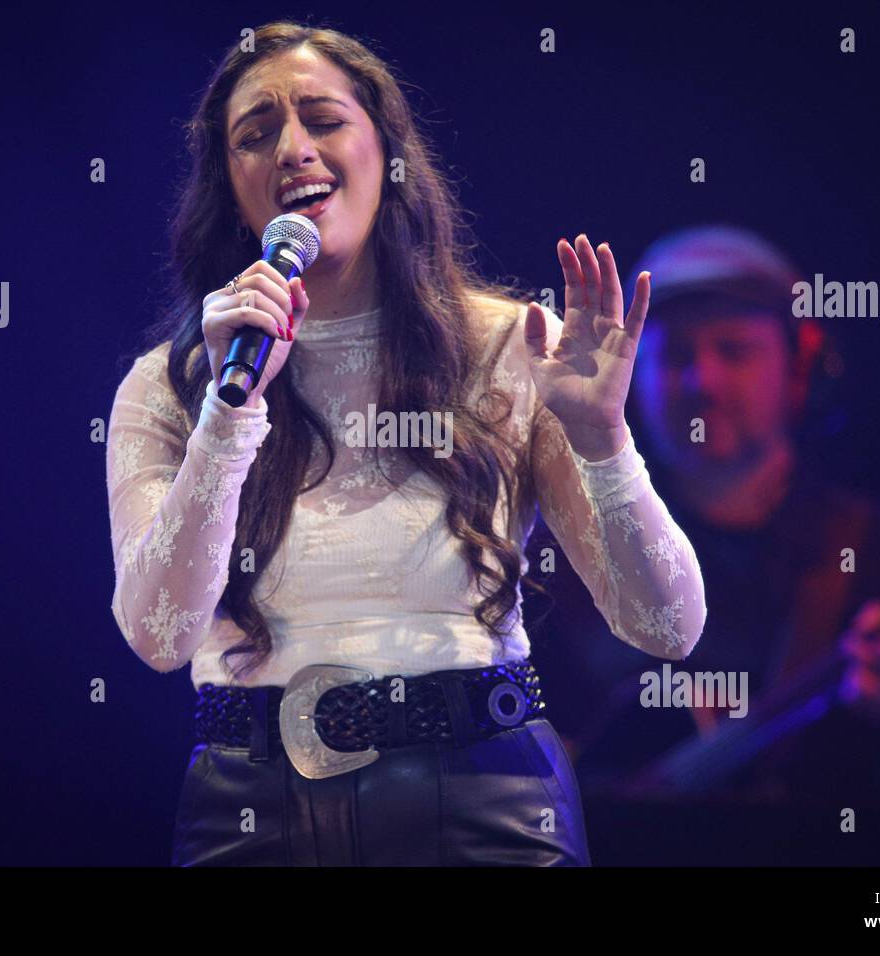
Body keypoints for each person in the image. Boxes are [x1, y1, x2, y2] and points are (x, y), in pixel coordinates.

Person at [103, 21, 706, 866]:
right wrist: (229, 415)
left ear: (386, 151)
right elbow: (158, 635)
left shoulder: (509, 350)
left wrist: (603, 439)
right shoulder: (170, 387)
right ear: (226, 183)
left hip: (483, 804)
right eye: (256, 134)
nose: (293, 150)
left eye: (322, 119)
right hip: (249, 813)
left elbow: (667, 626)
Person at [535, 224, 880, 864]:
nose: (703, 382)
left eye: (734, 351)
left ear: (801, 366)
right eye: (674, 357)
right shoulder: (558, 559)